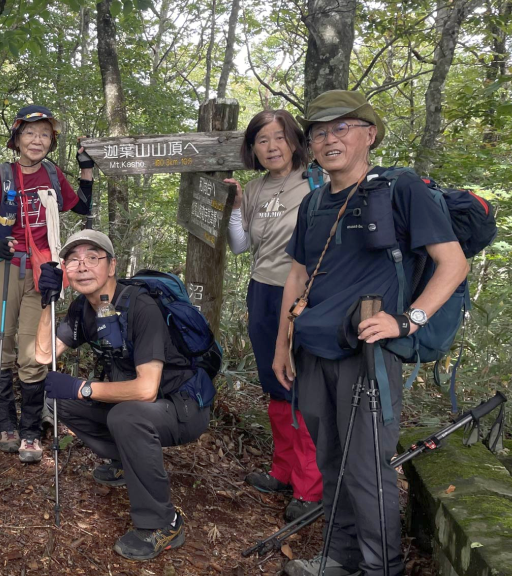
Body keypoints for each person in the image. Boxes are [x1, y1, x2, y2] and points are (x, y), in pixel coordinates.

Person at [274, 91, 469, 576]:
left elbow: (453, 263)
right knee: (332, 462)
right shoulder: (315, 202)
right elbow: (298, 277)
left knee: (366, 468)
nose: (328, 139)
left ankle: (383, 566)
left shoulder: (400, 189)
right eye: (319, 132)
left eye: (341, 127)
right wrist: (283, 342)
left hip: (369, 353)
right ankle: (338, 558)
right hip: (315, 349)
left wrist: (408, 321)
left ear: (369, 134)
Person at [34, 230, 209, 561]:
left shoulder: (141, 307)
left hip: (182, 407)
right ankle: (124, 460)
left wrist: (82, 387)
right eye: (73, 259)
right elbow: (44, 356)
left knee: (124, 415)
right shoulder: (81, 310)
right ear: (65, 270)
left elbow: (146, 389)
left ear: (112, 266)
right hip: (139, 405)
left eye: (93, 257)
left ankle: (164, 524)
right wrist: (47, 303)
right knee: (58, 399)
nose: (82, 266)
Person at [0, 104, 93, 463]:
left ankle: (29, 431)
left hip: (45, 270)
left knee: (35, 351)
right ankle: (5, 425)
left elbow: (83, 206)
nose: (37, 140)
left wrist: (86, 165)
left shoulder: (53, 175)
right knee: (0, 345)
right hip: (6, 267)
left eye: (44, 134)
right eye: (30, 133)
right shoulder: (1, 174)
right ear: (16, 139)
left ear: (52, 140)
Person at [224, 110, 323, 522]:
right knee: (275, 384)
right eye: (262, 140)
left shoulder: (316, 181)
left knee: (302, 387)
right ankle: (282, 471)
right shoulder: (256, 187)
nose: (271, 147)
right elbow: (241, 245)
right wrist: (235, 206)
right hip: (262, 290)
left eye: (279, 138)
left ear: (295, 141)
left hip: (307, 295)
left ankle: (310, 487)